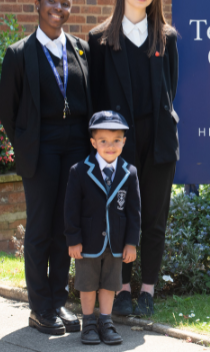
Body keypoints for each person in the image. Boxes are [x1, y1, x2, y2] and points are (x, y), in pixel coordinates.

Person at [88, 0, 179, 316]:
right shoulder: (99, 39)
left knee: (155, 217)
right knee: (120, 217)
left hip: (158, 141)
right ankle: (122, 288)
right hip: (117, 146)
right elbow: (96, 98)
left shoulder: (166, 38)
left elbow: (170, 88)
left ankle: (147, 290)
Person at [0, 0, 92, 334]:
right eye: (52, 1)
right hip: (41, 150)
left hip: (76, 151)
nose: (59, 7)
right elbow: (8, 109)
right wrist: (24, 143)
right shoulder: (20, 54)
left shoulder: (81, 50)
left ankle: (57, 302)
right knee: (40, 229)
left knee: (64, 228)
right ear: (38, 5)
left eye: (65, 3)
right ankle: (39, 308)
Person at [65, 111, 141, 345]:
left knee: (110, 283)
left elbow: (134, 212)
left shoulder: (129, 173)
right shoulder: (79, 171)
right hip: (87, 242)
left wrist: (131, 243)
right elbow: (71, 209)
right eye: (104, 141)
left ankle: (106, 321)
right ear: (93, 142)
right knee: (87, 284)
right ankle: (88, 322)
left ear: (124, 142)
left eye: (116, 140)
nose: (110, 146)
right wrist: (73, 239)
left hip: (116, 243)